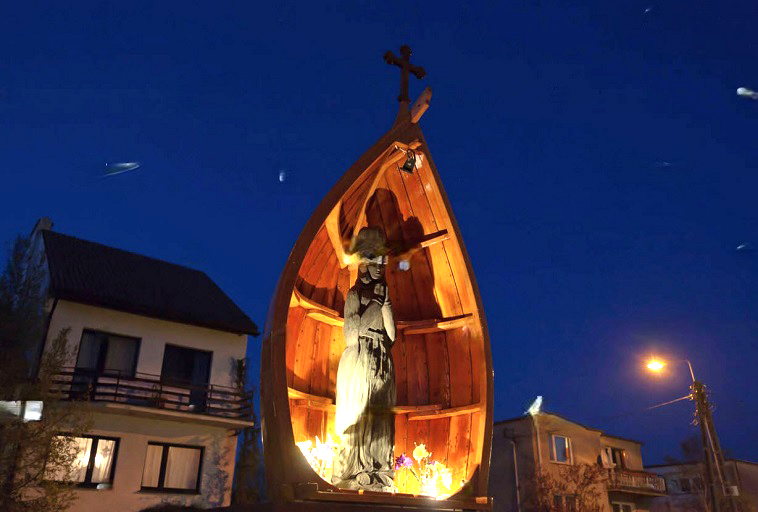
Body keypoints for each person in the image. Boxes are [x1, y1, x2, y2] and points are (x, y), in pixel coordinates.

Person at [333, 227, 396, 491]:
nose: (380, 266)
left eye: (383, 260)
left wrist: (386, 304)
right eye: (374, 259)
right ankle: (356, 470)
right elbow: (352, 333)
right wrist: (376, 303)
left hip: (382, 359)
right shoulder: (354, 295)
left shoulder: (383, 294)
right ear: (364, 263)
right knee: (360, 414)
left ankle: (379, 470)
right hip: (361, 359)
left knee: (381, 418)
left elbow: (392, 335)